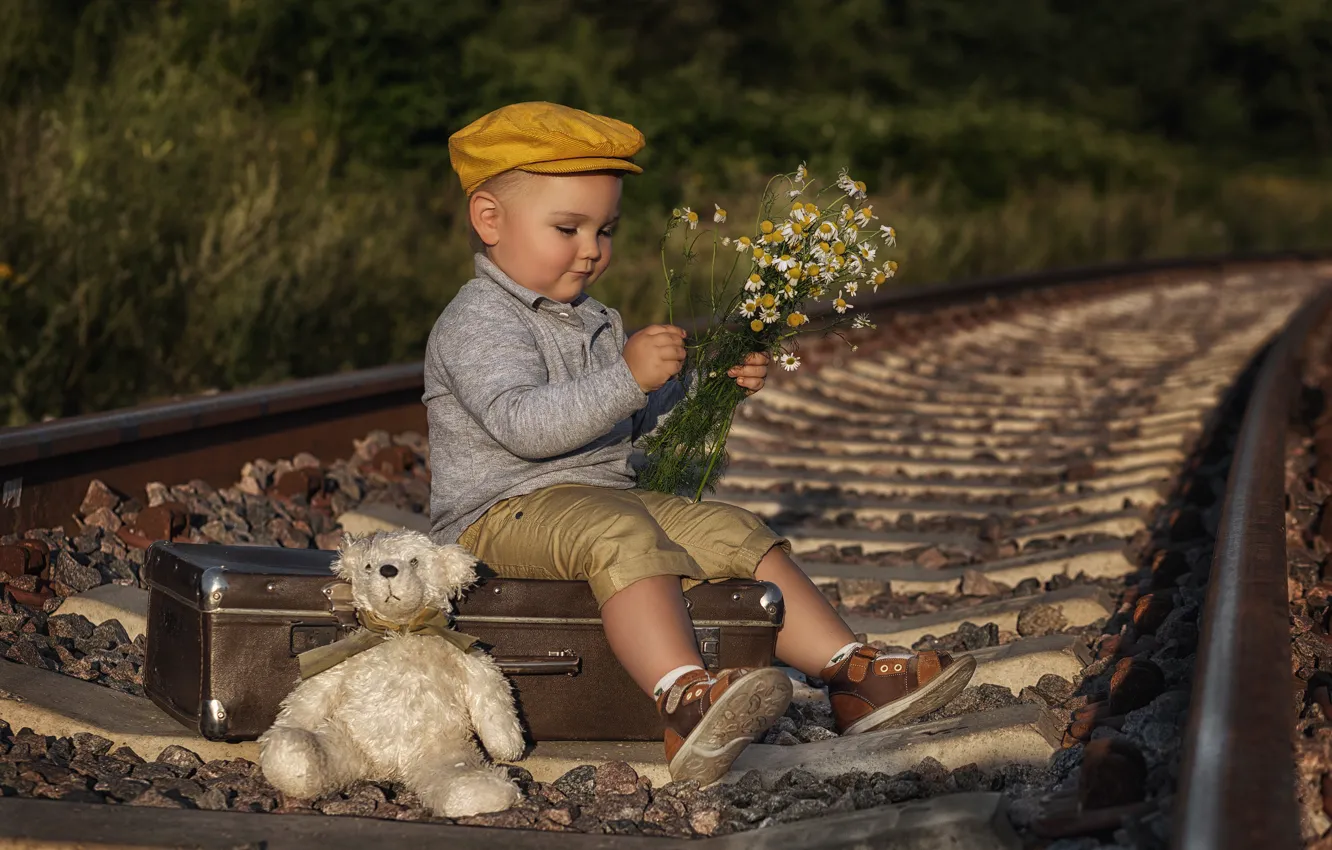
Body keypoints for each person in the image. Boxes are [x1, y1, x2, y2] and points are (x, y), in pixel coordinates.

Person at [423, 102, 975, 785]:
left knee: (731, 529)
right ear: (490, 219)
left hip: (591, 498)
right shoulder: (478, 320)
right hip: (498, 514)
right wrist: (626, 377)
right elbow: (524, 426)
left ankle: (852, 674)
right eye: (568, 228)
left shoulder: (595, 318)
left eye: (606, 230)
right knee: (620, 528)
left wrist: (704, 384)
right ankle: (685, 698)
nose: (592, 248)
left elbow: (623, 424)